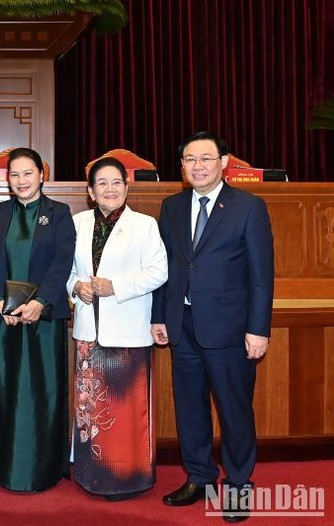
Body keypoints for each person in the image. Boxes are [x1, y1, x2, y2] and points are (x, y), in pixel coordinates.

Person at [151, 131, 274, 522]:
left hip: (231, 329)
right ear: (182, 167)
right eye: (190, 159)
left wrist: (259, 328)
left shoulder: (248, 207)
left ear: (223, 163)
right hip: (183, 325)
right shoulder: (170, 207)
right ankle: (199, 477)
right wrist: (159, 315)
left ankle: (238, 486)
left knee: (235, 411)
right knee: (190, 409)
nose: (198, 166)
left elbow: (261, 275)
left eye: (206, 158)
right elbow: (166, 268)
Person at [67, 157, 168, 500]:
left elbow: (159, 271)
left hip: (127, 329)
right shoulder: (78, 222)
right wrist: (75, 287)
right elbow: (66, 271)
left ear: (126, 187)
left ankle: (126, 477)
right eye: (101, 184)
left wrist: (118, 286)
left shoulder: (145, 225)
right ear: (90, 191)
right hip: (87, 330)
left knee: (123, 411)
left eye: (115, 183)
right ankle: (88, 475)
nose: (109, 189)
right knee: (88, 407)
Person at [0, 147, 75, 492]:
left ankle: (44, 467)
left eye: (28, 173)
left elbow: (63, 261)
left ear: (41, 175)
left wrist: (42, 302)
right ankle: (1, 463)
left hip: (43, 321)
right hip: (6, 319)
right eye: (14, 174)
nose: (21, 181)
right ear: (8, 179)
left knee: (42, 390)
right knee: (6, 388)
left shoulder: (59, 213)